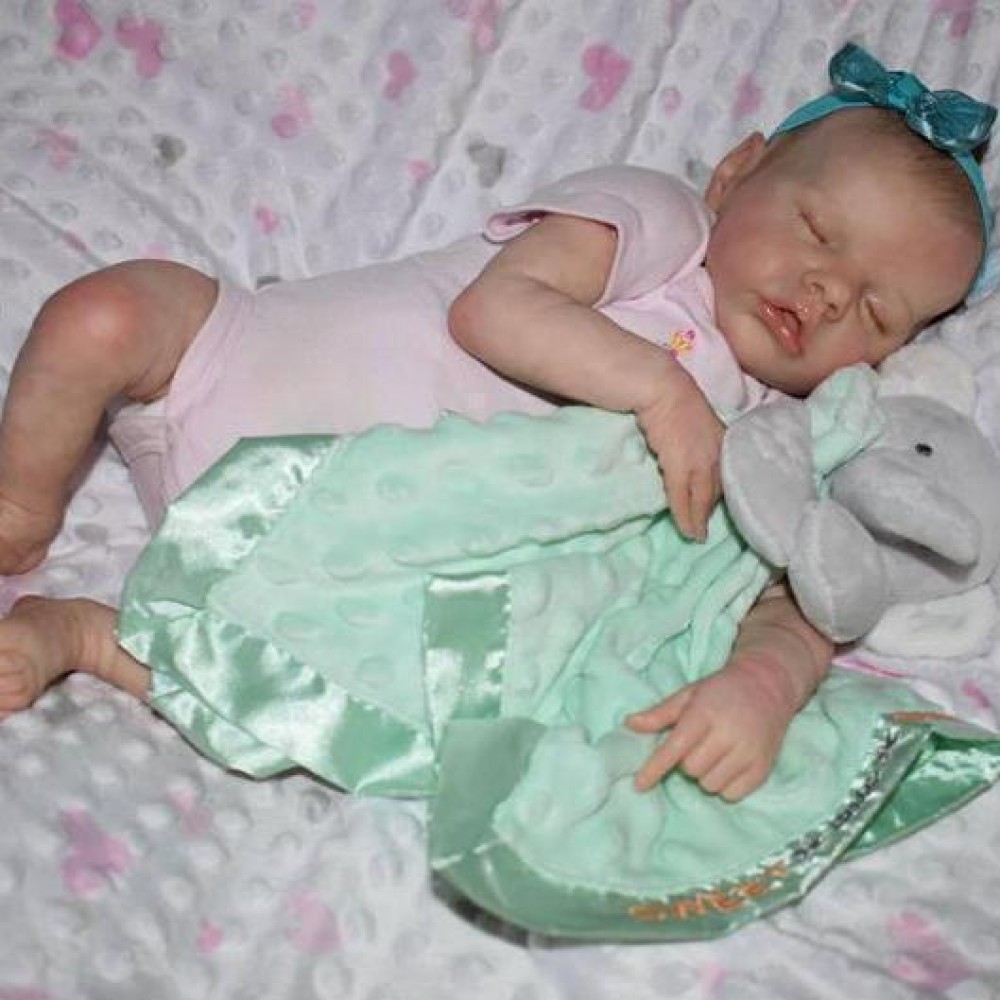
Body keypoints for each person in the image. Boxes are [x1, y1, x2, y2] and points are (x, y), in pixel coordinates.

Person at [0, 45, 992, 802]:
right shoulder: (659, 227)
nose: (827, 290)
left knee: (343, 699)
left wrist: (766, 685)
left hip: (328, 550)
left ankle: (89, 635)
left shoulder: (781, 433)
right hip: (221, 361)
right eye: (818, 231)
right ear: (736, 174)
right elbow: (496, 310)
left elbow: (810, 587)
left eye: (876, 312)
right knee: (106, 315)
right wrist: (659, 390)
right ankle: (21, 501)